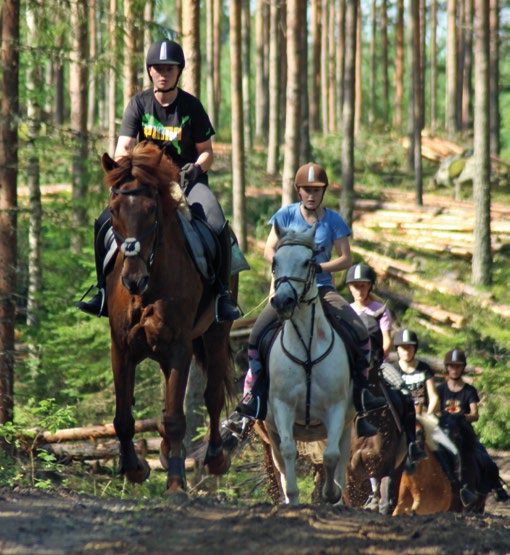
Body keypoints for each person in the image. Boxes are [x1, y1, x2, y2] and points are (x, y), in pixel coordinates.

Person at [76, 39, 241, 322]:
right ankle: (103, 291)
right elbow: (123, 148)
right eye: (158, 68)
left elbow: (207, 153)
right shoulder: (139, 104)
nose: (163, 73)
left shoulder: (191, 106)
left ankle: (223, 296)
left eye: (170, 68)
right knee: (103, 221)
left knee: (216, 221)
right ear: (150, 71)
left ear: (179, 72)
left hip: (187, 183)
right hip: (146, 183)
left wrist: (195, 170)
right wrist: (128, 167)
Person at [225, 162, 386, 439]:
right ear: (298, 191)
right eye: (306, 189)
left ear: (323, 192)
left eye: (316, 190)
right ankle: (254, 397)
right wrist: (286, 272)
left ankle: (361, 395)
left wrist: (317, 268)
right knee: (257, 335)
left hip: (322, 289)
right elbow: (268, 250)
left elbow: (346, 258)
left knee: (359, 330)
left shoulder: (333, 220)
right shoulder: (285, 216)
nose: (311, 194)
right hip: (288, 289)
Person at [437, 348, 508, 502]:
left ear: (463, 368)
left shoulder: (469, 391)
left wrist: (461, 417)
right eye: (451, 366)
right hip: (443, 431)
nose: (454, 370)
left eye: (458, 366)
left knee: (484, 457)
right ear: (447, 367)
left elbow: (475, 414)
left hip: (463, 431)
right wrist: (444, 417)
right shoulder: (440, 390)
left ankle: (497, 486)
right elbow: (434, 411)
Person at [347, 263, 393, 360]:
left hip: (377, 362)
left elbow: (387, 341)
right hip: (351, 361)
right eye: (356, 286)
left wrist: (377, 359)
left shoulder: (381, 310)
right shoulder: (346, 311)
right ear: (350, 287)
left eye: (363, 286)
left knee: (393, 375)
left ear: (370, 286)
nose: (359, 291)